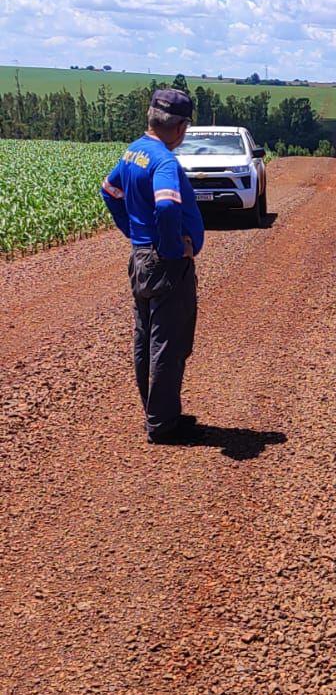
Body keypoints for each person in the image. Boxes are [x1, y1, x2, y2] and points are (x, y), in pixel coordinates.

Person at [100, 88, 205, 444]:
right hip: (165, 263)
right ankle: (162, 424)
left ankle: (158, 412)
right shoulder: (163, 161)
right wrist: (174, 248)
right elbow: (168, 207)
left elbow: (108, 189)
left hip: (141, 257)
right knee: (168, 341)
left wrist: (133, 232)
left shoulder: (134, 151)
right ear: (181, 127)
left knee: (146, 336)